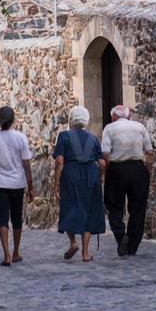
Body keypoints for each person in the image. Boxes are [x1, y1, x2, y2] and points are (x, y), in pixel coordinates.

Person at [53, 105, 106, 262]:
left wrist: (56, 183)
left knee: (69, 207)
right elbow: (102, 163)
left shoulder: (64, 136)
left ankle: (73, 242)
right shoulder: (93, 138)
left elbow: (59, 160)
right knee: (89, 211)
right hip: (91, 175)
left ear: (71, 120)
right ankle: (85, 253)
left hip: (71, 174)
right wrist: (100, 177)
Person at [102, 105, 154, 257]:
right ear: (129, 116)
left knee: (114, 206)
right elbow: (149, 152)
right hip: (138, 169)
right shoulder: (140, 127)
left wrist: (107, 172)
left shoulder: (109, 128)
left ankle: (121, 235)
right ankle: (133, 245)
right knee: (138, 209)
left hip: (117, 168)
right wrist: (148, 172)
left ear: (114, 117)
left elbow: (105, 153)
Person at [0, 105, 34, 267]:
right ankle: (16, 252)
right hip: (17, 183)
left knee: (3, 217)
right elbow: (26, 164)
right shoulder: (21, 138)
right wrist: (30, 185)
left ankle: (6, 254)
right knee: (16, 217)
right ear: (13, 120)